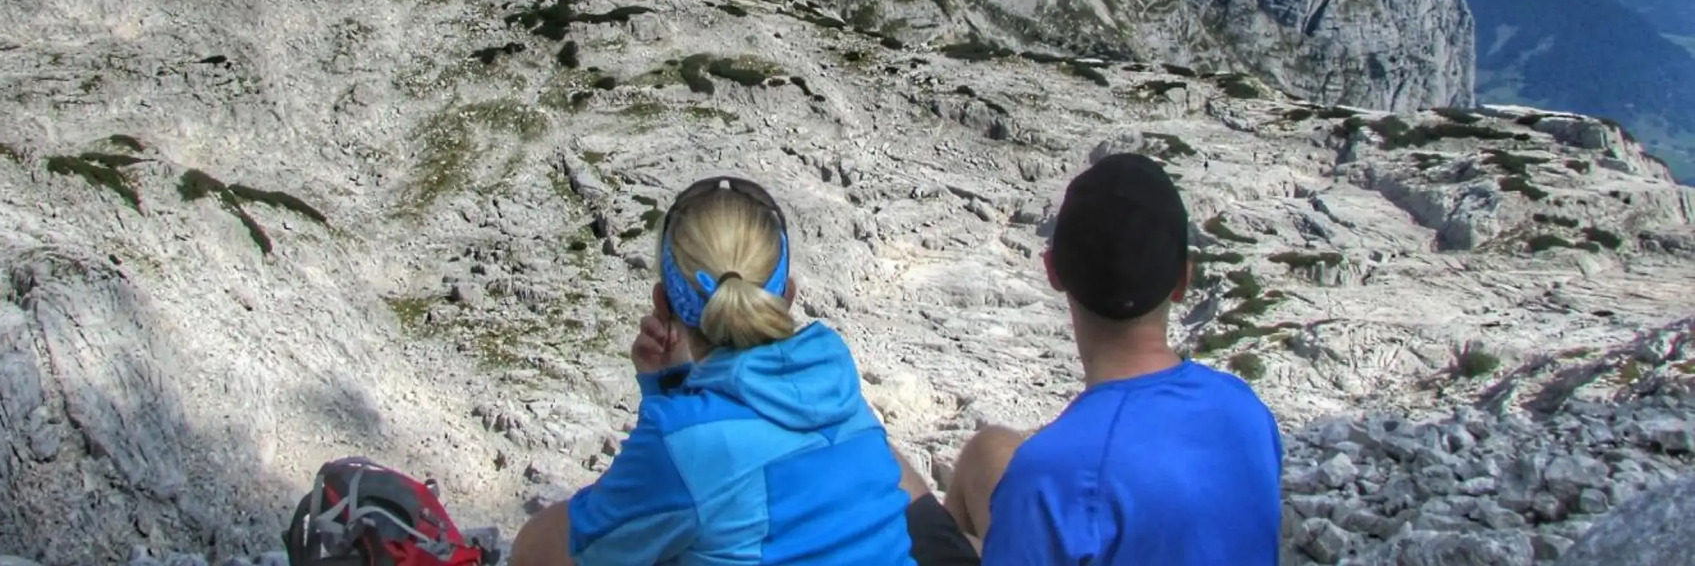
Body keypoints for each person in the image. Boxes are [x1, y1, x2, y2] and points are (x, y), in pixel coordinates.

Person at [509, 175, 919, 566]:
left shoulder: (683, 443)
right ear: (787, 296)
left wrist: (664, 400)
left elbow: (586, 547)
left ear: (663, 302)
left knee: (536, 544)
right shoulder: (836, 379)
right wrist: (674, 390)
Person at [928, 152, 1284, 565]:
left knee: (922, 530)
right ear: (1183, 280)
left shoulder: (1052, 476)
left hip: (1062, 492)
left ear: (1053, 271)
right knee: (988, 451)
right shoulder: (1245, 409)